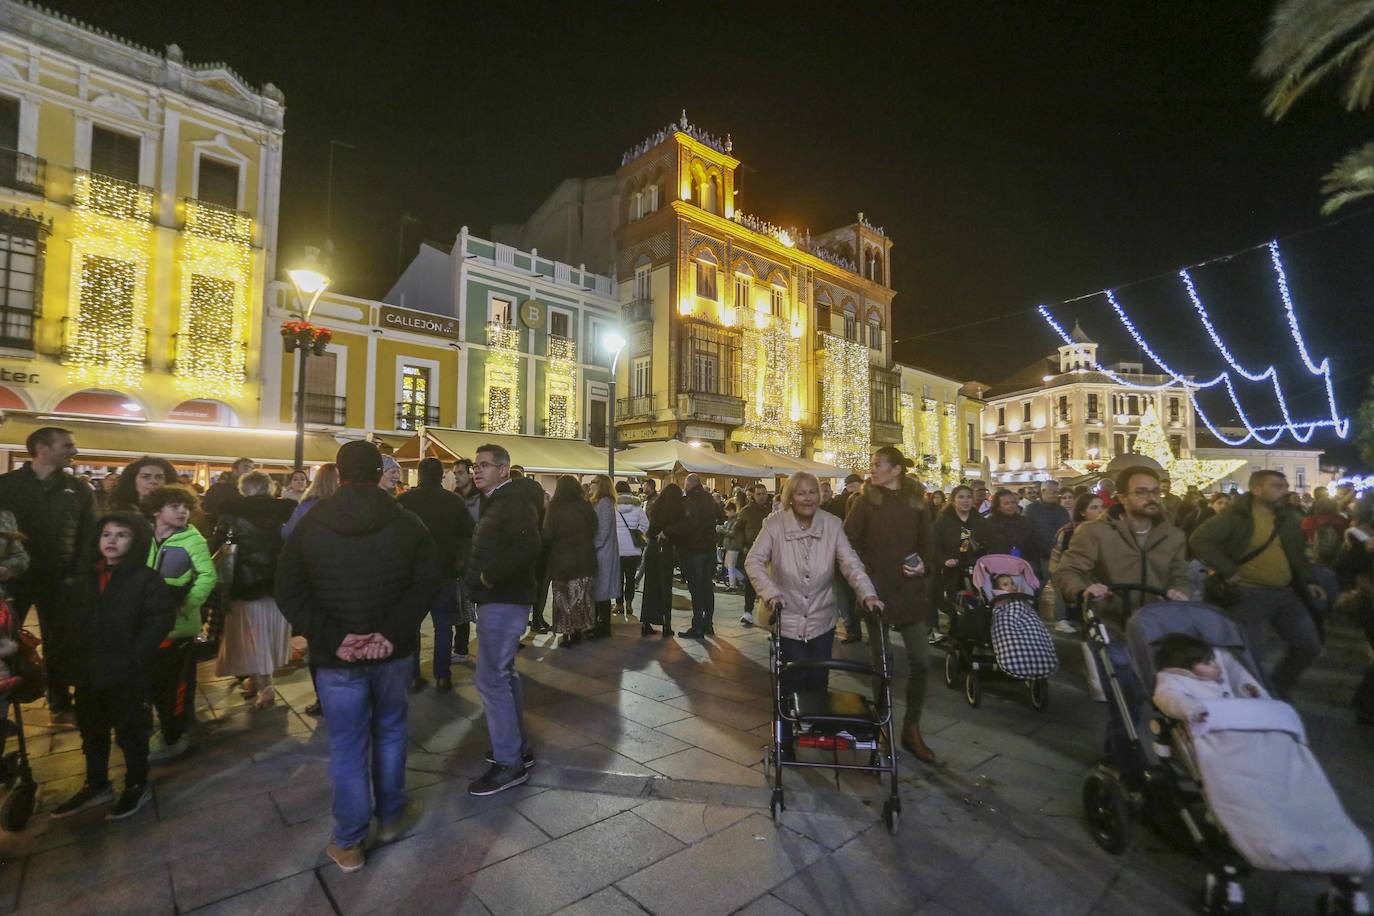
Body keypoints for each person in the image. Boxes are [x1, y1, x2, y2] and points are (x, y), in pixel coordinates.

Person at [276, 441, 439, 872]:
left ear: (339, 473)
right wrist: (388, 633)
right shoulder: (407, 523)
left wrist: (335, 637)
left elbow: (289, 591)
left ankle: (349, 840)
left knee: (348, 745)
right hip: (393, 651)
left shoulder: (311, 524)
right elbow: (425, 584)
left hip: (336, 657)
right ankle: (390, 814)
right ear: (378, 473)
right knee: (390, 730)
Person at [1052, 466, 1191, 782]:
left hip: (1158, 628)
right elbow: (1067, 571)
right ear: (1122, 497)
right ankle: (1124, 763)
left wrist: (1182, 589)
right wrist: (1084, 589)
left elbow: (1180, 570)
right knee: (1125, 695)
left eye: (1155, 491)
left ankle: (1129, 755)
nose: (1151, 498)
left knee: (1157, 698)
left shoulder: (1172, 534)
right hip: (1113, 625)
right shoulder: (1095, 532)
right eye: (1142, 492)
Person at [51, 512, 175, 821]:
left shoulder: (145, 579)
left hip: (126, 671)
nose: (112, 541)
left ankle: (136, 782)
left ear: (135, 543)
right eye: (107, 534)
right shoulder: (86, 577)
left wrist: (135, 656)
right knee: (92, 728)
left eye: (122, 535)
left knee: (131, 731)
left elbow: (159, 619)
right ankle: (96, 783)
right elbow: (69, 620)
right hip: (89, 670)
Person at [746, 471, 881, 703]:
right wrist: (770, 593)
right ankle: (789, 729)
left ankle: (815, 731)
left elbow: (850, 563)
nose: (807, 498)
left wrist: (867, 594)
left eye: (812, 492)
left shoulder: (832, 525)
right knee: (794, 677)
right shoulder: (774, 525)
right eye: (801, 493)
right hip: (787, 613)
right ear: (790, 497)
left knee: (819, 678)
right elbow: (753, 561)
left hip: (822, 615)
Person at [1190, 469, 1323, 699]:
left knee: (1309, 646)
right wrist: (1228, 570)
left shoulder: (1286, 517)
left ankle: (1277, 687)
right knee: (1251, 653)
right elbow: (1200, 540)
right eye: (1277, 486)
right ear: (1257, 489)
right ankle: (1248, 698)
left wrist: (1308, 580)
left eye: (1285, 486)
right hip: (1249, 595)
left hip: (1286, 593)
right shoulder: (1236, 515)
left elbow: (1296, 553)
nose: (1284, 491)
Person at [843, 446, 937, 763]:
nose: (872, 469)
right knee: (883, 663)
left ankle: (912, 727)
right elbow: (848, 541)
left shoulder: (918, 502)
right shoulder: (864, 502)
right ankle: (882, 724)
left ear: (896, 469)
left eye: (877, 464)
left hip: (909, 591)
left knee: (922, 661)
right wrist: (865, 575)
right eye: (872, 464)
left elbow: (927, 544)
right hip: (876, 591)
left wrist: (923, 564)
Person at [0, 426, 96, 719]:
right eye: (67, 445)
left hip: (60, 578)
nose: (74, 451)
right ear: (42, 449)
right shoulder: (7, 485)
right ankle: (9, 694)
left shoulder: (79, 489)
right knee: (6, 638)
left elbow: (89, 535)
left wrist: (78, 574)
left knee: (61, 640)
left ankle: (59, 696)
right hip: (13, 578)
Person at [466, 443, 542, 796]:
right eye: (474, 465)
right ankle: (517, 748)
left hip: (504, 599)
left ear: (504, 469)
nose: (476, 470)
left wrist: (487, 577)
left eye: (484, 465)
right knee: (504, 674)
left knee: (490, 679)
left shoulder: (511, 502)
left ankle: (509, 762)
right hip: (501, 598)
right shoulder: (498, 500)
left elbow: (529, 546)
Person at [210, 470, 296, 709]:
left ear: (244, 489)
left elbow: (218, 549)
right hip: (277, 583)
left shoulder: (230, 514)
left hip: (244, 584)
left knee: (251, 637)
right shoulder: (286, 511)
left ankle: (264, 686)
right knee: (268, 635)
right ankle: (258, 681)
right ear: (270, 487)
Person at [143, 485, 216, 763]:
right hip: (148, 624)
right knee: (152, 680)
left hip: (178, 625)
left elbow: (207, 575)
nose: (183, 512)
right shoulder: (145, 538)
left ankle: (175, 733)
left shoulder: (192, 539)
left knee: (174, 685)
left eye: (185, 507)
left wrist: (187, 604)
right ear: (156, 511)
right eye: (175, 507)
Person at [397, 457, 473, 693]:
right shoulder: (454, 501)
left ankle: (412, 675)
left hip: (414, 575)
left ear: (419, 475)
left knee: (411, 626)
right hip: (445, 572)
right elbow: (469, 534)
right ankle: (443, 675)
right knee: (443, 626)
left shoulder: (405, 501)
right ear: (441, 476)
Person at [542, 475, 597, 647]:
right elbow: (595, 528)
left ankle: (565, 633)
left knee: (562, 599)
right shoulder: (586, 506)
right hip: (584, 559)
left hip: (561, 561)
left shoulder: (554, 508)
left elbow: (547, 535)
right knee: (580, 597)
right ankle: (578, 631)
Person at [671, 473, 724, 639]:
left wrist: (671, 532)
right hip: (709, 548)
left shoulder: (691, 501)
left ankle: (698, 626)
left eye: (685, 484)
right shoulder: (709, 498)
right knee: (707, 587)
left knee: (696, 589)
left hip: (695, 549)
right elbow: (721, 516)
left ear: (689, 484)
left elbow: (689, 524)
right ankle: (708, 624)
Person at [1046, 491, 1106, 634]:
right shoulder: (1068, 531)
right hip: (1074, 574)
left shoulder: (1107, 531)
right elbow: (1057, 558)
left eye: (1101, 507)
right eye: (1094, 507)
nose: (1099, 511)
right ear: (1083, 511)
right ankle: (1061, 619)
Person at [930, 484, 991, 616]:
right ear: (953, 500)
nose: (965, 500)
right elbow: (934, 545)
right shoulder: (943, 521)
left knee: (975, 603)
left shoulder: (979, 521)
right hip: (951, 570)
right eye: (961, 497)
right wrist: (944, 560)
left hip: (974, 569)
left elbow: (988, 543)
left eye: (968, 497)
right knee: (952, 602)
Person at [508, 466, 551, 635]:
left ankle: (522, 624)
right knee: (539, 584)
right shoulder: (536, 494)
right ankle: (537, 619)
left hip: (519, 550)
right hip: (539, 546)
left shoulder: (509, 499)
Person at [640, 483, 682, 637]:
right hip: (665, 549)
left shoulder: (656, 506)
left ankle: (646, 623)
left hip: (652, 548)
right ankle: (666, 624)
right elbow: (678, 528)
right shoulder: (675, 510)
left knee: (650, 586)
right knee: (665, 587)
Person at [451, 458, 480, 660]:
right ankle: (460, 648)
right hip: (462, 560)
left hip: (481, 559)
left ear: (470, 473)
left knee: (484, 606)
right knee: (461, 605)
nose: (457, 476)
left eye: (460, 472)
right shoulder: (454, 497)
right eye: (455, 473)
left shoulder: (484, 497)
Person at [589, 475, 619, 639]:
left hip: (603, 554)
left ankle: (603, 627)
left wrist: (591, 546)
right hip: (602, 553)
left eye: (593, 482)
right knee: (599, 591)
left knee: (602, 592)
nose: (591, 485)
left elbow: (602, 532)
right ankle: (598, 625)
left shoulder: (605, 503)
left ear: (601, 485)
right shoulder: (601, 503)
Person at [737, 483, 772, 626]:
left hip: (771, 553)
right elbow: (738, 530)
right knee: (751, 583)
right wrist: (742, 546)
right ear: (754, 495)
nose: (762, 496)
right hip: (752, 551)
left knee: (770, 584)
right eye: (759, 494)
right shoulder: (746, 511)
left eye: (764, 494)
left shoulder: (772, 511)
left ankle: (770, 616)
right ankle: (748, 611)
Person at [613, 480, 649, 616]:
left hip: (617, 549)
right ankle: (629, 603)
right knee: (630, 577)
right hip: (633, 549)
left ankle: (619, 604)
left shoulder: (613, 507)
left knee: (618, 578)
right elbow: (646, 525)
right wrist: (637, 532)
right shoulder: (637, 507)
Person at [1024, 482, 1068, 581]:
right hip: (1041, 557)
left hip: (1061, 556)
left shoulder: (1061, 510)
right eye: (1053, 492)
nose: (1056, 495)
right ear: (1043, 491)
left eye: (1057, 492)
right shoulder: (1031, 510)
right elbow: (1026, 533)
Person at [283, 463, 339, 540]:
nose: (299, 482)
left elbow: (287, 532)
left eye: (302, 479)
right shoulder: (343, 504)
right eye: (295, 479)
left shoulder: (306, 505)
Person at [201, 457, 255, 522]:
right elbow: (209, 509)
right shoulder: (219, 488)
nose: (249, 471)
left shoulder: (251, 490)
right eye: (246, 468)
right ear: (235, 470)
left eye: (251, 468)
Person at [718, 501, 745, 592]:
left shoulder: (736, 520)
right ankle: (741, 579)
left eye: (727, 512)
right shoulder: (731, 520)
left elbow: (733, 533)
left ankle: (733, 585)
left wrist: (721, 530)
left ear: (732, 511)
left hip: (734, 545)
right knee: (728, 565)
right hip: (730, 545)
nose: (726, 514)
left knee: (730, 566)